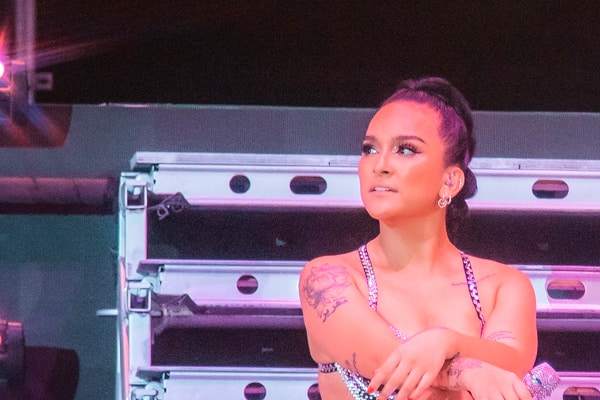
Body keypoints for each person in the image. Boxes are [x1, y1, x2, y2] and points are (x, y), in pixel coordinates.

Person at [299, 77, 552, 400]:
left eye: (406, 149)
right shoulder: (327, 278)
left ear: (450, 181)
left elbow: (511, 363)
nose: (380, 165)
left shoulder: (503, 286)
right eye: (370, 149)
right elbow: (393, 363)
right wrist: (469, 370)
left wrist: (447, 341)